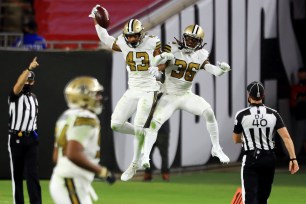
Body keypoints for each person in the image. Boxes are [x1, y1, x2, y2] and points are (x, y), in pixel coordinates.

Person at [141, 24, 231, 170]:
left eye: (194, 40)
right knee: (154, 123)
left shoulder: (201, 54)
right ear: (183, 37)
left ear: (200, 42)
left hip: (186, 95)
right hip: (169, 94)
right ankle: (145, 155)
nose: (190, 42)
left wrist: (221, 70)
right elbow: (161, 66)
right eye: (188, 39)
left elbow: (211, 69)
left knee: (209, 112)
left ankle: (216, 148)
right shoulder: (172, 48)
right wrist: (157, 69)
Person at [89, 5, 162, 181]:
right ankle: (143, 133)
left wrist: (157, 69)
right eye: (128, 36)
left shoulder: (152, 42)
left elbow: (164, 60)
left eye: (134, 35)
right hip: (133, 89)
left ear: (141, 34)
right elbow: (106, 39)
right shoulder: (122, 42)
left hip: (149, 89)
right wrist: (96, 22)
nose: (131, 38)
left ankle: (135, 164)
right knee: (116, 124)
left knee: (138, 122)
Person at [49, 76, 115, 204]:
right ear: (84, 97)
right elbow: (73, 153)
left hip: (66, 181)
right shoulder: (86, 118)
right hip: (71, 182)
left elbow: (57, 156)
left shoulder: (66, 116)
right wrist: (101, 171)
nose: (100, 98)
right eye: (96, 95)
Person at [232, 81, 299, 204]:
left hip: (250, 159)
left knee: (250, 199)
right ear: (263, 96)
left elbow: (236, 139)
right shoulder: (273, 114)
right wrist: (293, 159)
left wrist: (248, 139)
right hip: (268, 159)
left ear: (249, 96)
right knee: (263, 199)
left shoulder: (241, 115)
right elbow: (286, 138)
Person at [8, 57, 41, 204]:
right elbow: (19, 84)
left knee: (33, 175)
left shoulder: (34, 98)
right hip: (17, 139)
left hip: (31, 139)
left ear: (33, 82)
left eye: (30, 81)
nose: (27, 83)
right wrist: (29, 69)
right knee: (18, 175)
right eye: (25, 81)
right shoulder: (14, 96)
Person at [290, 67, 306, 156]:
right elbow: (293, 102)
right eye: (301, 73)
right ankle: (295, 158)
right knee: (298, 138)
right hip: (300, 116)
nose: (302, 75)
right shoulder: (296, 87)